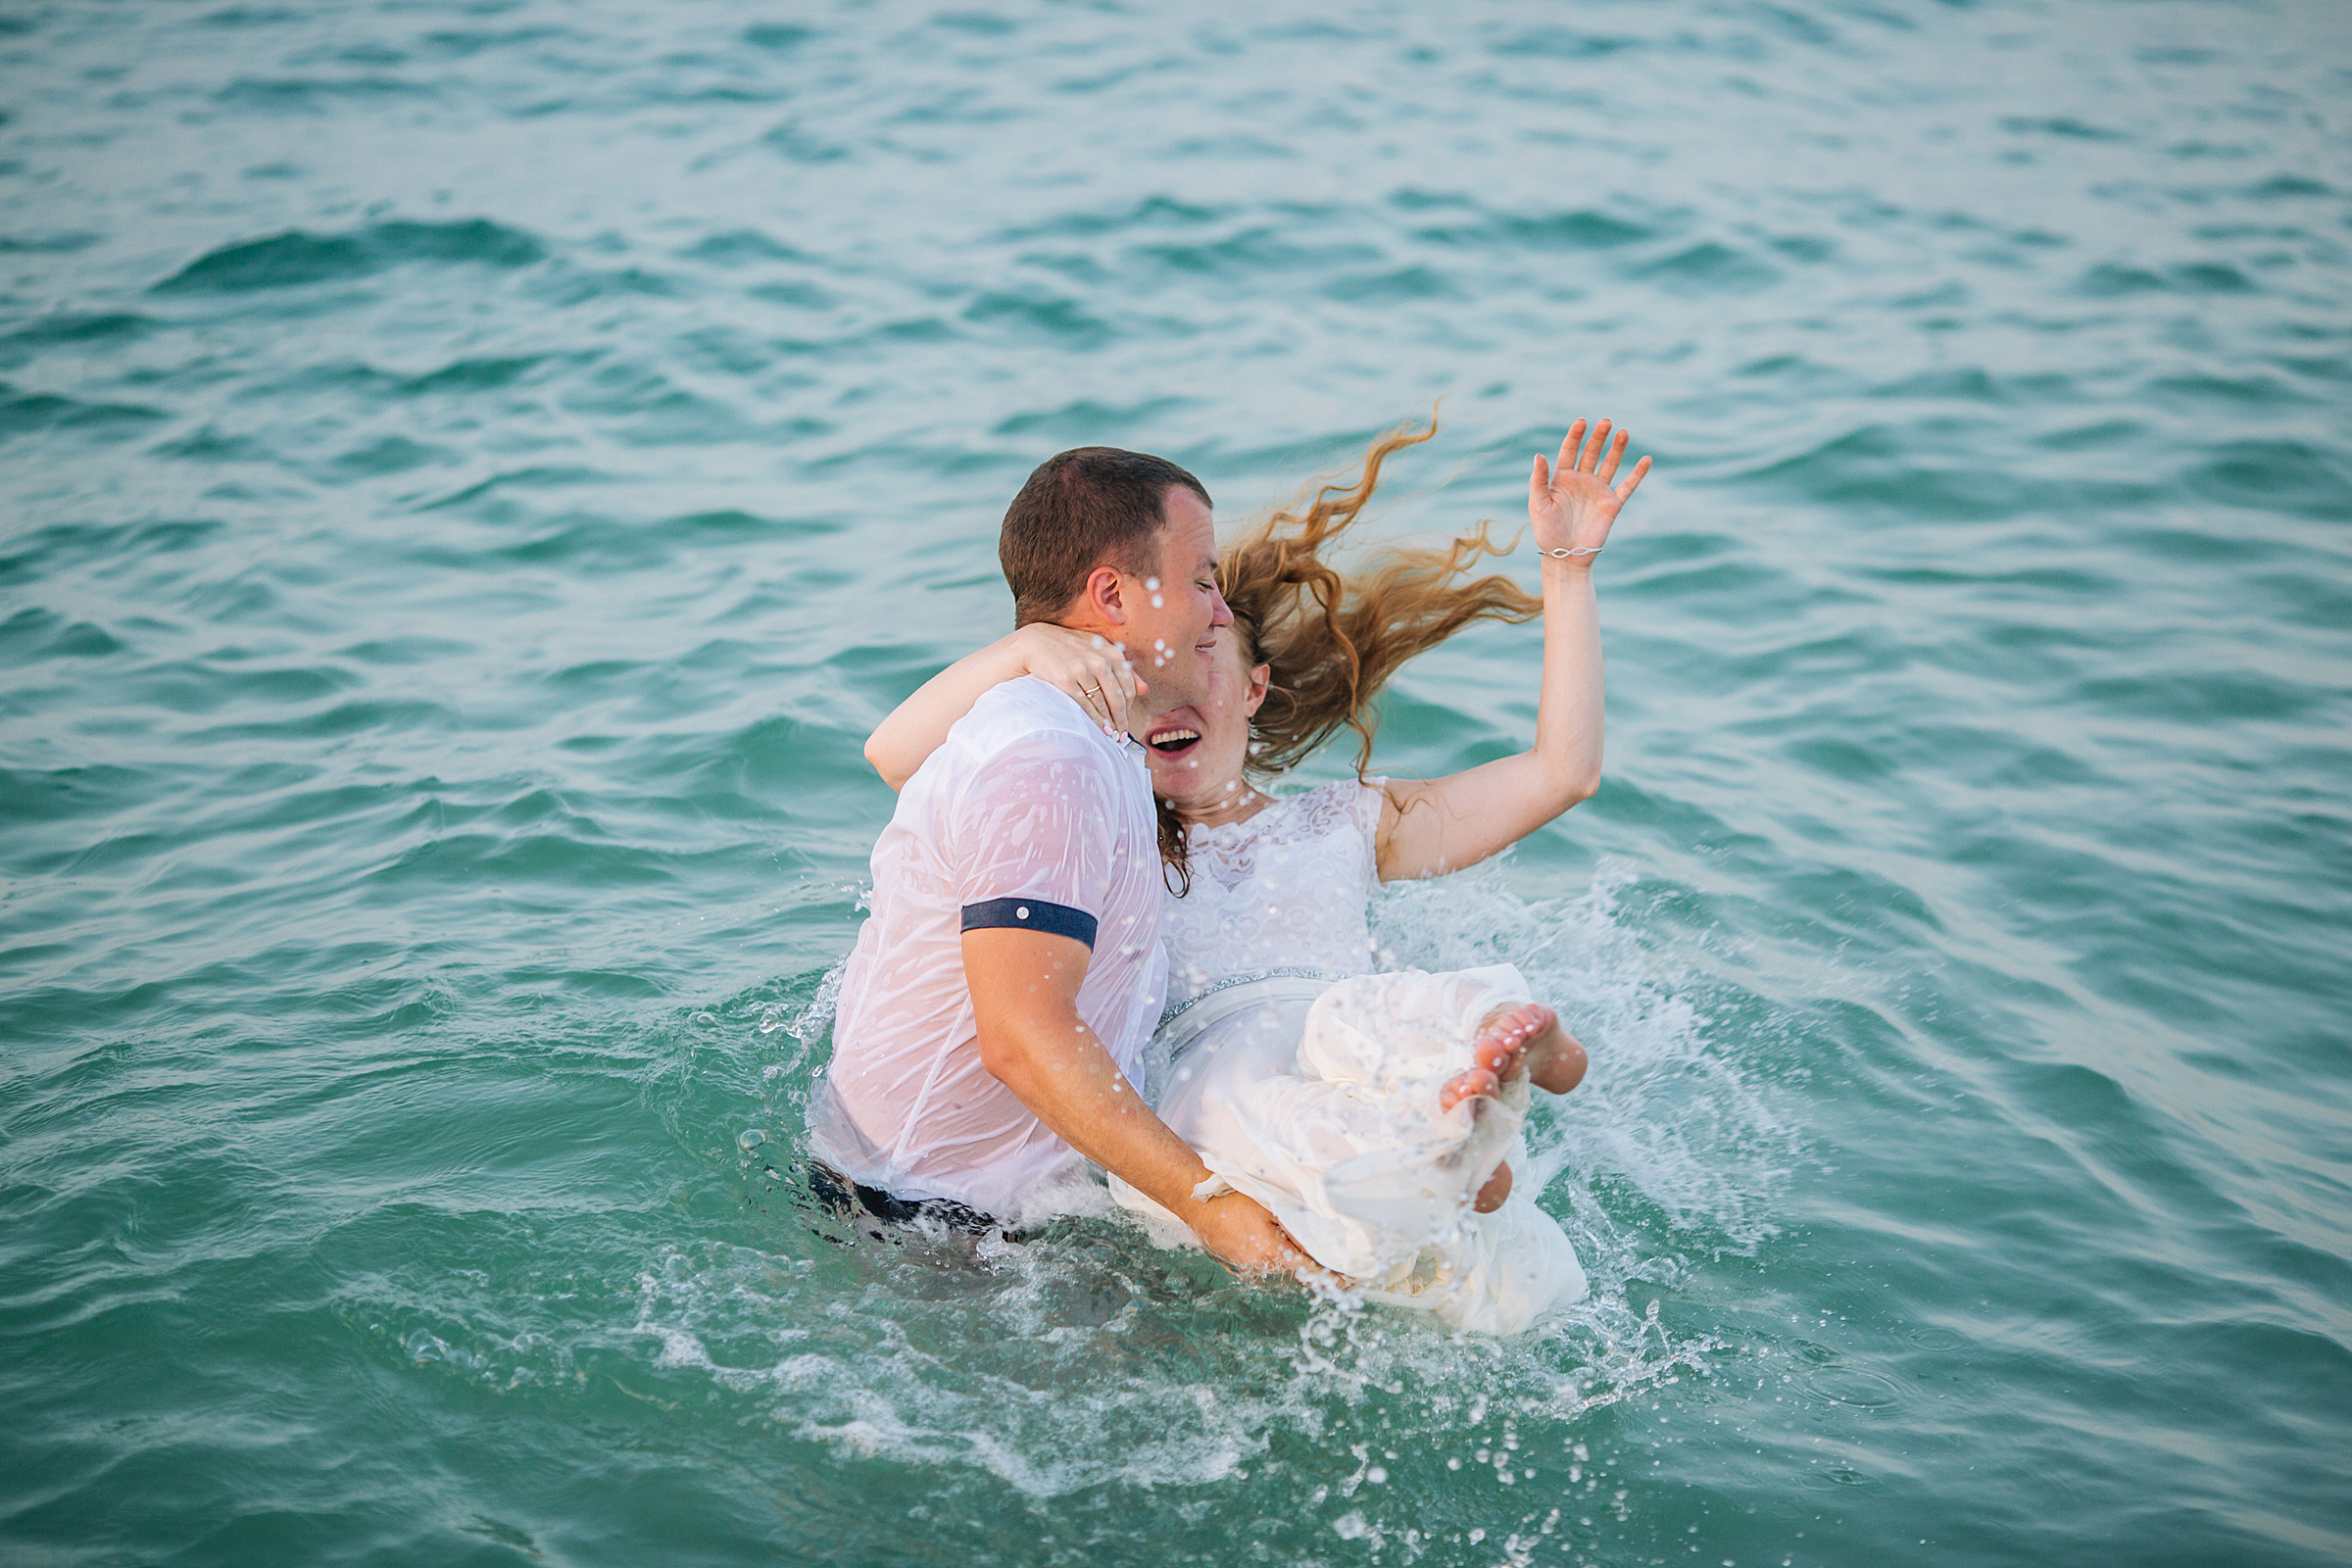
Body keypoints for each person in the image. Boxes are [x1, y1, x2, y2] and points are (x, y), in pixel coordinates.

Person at [864, 417, 1649, 1331]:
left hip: (1341, 1035)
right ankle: (1449, 1148)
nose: (1186, 680)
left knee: (1380, 1018)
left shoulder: (1347, 824)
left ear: (1255, 690)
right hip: (1229, 1087)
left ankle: (1488, 1075)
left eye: (1213, 656)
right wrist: (1031, 648)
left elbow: (1564, 772)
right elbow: (898, 755)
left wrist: (1567, 570)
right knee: (1263, 1107)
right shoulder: (1107, 837)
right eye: (1179, 645)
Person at [808, 446, 1307, 1276]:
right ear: (1112, 594)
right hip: (923, 1232)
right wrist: (1214, 1207)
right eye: (1202, 580)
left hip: (974, 1210)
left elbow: (899, 758)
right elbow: (1023, 1037)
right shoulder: (1048, 756)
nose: (1221, 612)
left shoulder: (1086, 732)